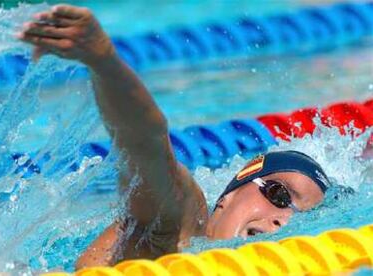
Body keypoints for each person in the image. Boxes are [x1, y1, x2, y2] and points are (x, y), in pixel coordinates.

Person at [17, 5, 330, 269]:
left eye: (299, 216)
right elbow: (147, 146)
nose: (283, 220)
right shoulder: (179, 227)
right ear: (229, 194)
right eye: (279, 195)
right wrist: (104, 60)